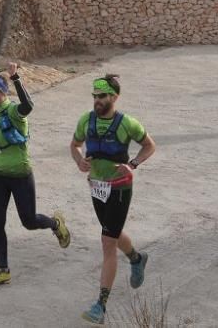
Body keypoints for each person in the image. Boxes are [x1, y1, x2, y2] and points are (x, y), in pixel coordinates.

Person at [0, 61, 70, 289]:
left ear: (3, 93)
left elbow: (28, 105)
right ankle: (3, 270)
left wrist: (16, 78)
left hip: (21, 175)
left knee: (29, 221)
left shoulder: (14, 112)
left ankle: (55, 223)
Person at [69, 75, 156, 325]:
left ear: (114, 97)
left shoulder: (127, 123)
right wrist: (79, 161)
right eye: (95, 96)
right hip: (96, 187)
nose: (97, 100)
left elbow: (149, 146)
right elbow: (74, 145)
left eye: (102, 96)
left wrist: (133, 164)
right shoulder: (86, 120)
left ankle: (101, 305)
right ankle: (137, 259)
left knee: (107, 241)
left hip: (119, 188)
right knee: (113, 235)